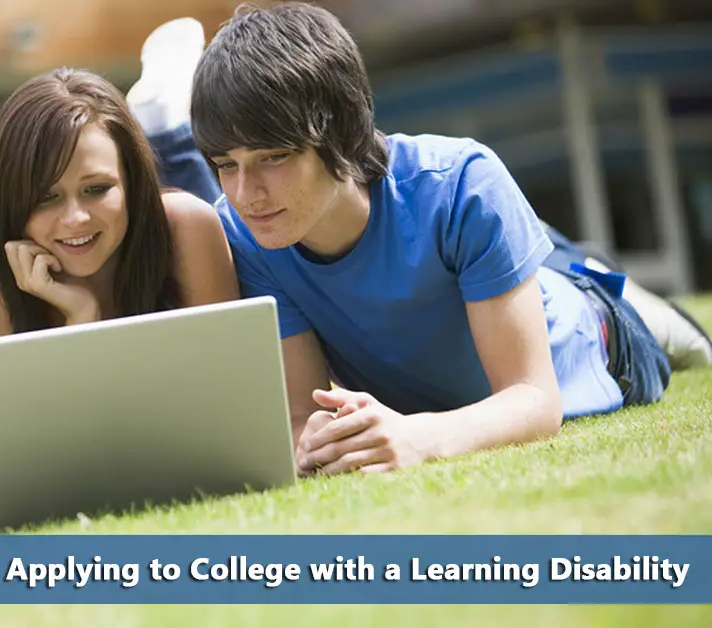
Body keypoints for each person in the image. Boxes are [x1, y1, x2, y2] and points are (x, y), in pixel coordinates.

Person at [129, 5, 712, 477]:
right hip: (452, 265)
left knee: (639, 313)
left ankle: (628, 293)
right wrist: (320, 441)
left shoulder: (461, 180)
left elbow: (535, 400)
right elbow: (304, 416)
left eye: (274, 157)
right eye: (225, 165)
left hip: (605, 335)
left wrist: (420, 436)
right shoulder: (248, 236)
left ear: (343, 131)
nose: (245, 191)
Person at [0, 67, 238, 336]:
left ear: (131, 181)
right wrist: (82, 315)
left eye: (97, 188)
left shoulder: (189, 227)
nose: (75, 218)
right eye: (46, 198)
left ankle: (166, 126)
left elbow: (234, 372)